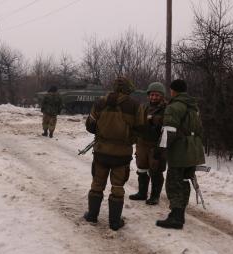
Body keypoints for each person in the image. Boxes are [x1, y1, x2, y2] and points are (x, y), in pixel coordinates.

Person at [84, 77, 146, 231]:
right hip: (122, 155)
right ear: (128, 89)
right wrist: (128, 139)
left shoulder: (99, 103)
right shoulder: (135, 106)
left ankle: (92, 216)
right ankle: (114, 222)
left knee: (97, 184)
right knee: (117, 187)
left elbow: (90, 126)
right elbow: (140, 130)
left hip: (101, 152)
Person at [155, 79, 205, 229]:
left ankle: (176, 218)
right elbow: (200, 129)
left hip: (180, 151)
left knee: (173, 182)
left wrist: (160, 149)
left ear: (173, 91)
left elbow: (169, 131)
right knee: (184, 181)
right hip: (193, 149)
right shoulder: (193, 107)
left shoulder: (174, 107)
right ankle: (179, 213)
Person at [129, 82, 167, 205]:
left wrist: (153, 120)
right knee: (141, 167)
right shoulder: (143, 107)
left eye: (156, 95)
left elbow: (167, 125)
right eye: (151, 95)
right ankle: (142, 193)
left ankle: (155, 196)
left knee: (156, 170)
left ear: (162, 96)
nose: (154, 97)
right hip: (142, 142)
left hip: (157, 144)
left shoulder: (166, 108)